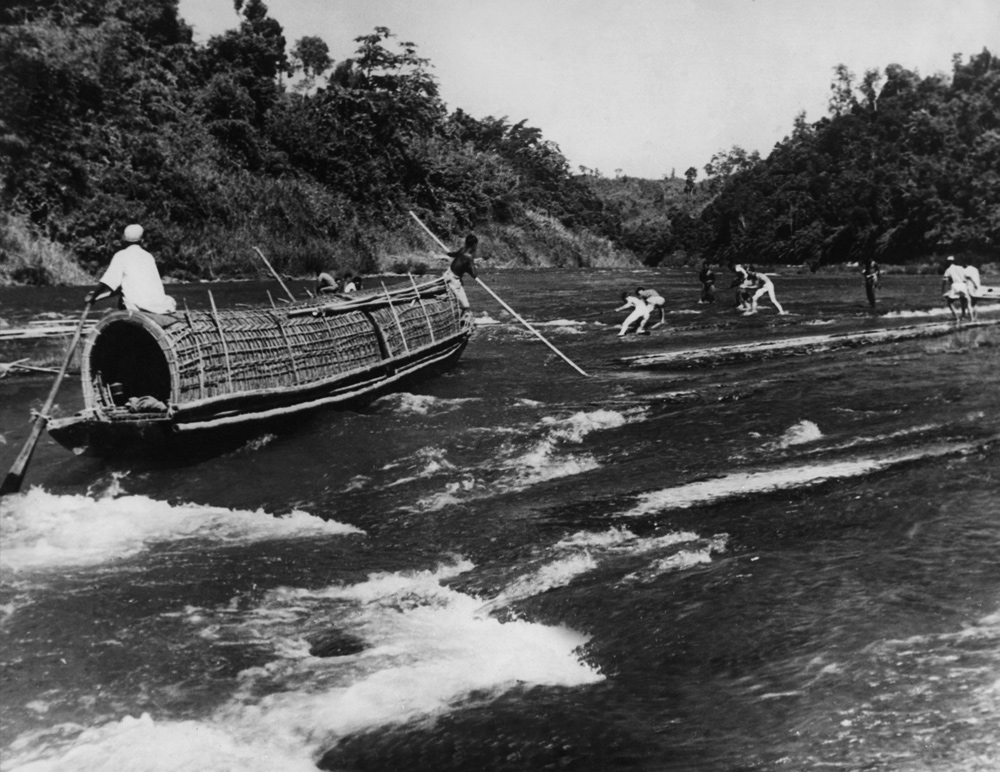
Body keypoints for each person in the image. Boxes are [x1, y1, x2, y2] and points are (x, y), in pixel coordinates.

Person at [84, 224, 176, 314]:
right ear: (142, 240)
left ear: (124, 240)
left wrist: (94, 295)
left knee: (120, 302)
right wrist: (98, 297)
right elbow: (124, 289)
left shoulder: (121, 255)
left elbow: (106, 282)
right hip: (159, 305)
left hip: (137, 307)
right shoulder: (148, 257)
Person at [443, 233, 478, 309]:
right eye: (476, 245)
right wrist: (470, 267)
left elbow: (453, 254)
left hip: (448, 273)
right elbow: (474, 275)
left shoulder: (462, 250)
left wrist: (448, 253)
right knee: (466, 305)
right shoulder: (469, 257)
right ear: (474, 245)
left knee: (461, 284)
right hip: (453, 280)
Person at [941, 255, 970, 321]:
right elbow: (966, 277)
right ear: (954, 261)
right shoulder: (960, 267)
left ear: (948, 262)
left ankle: (956, 316)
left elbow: (944, 281)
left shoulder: (948, 270)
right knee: (963, 300)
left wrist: (943, 290)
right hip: (963, 285)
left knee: (950, 302)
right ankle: (963, 315)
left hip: (955, 285)